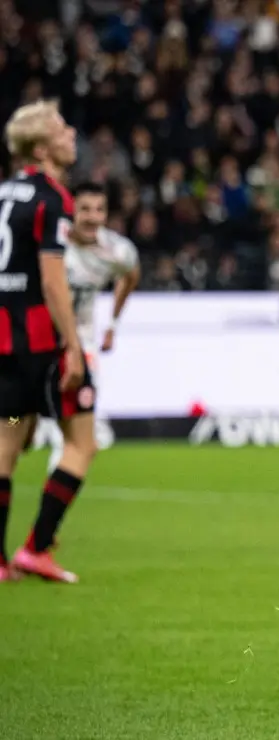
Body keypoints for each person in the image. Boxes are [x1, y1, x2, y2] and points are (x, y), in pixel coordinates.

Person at [0, 100, 95, 584]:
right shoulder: (51, 198)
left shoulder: (3, 194)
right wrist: (73, 346)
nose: (70, 132)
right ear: (41, 147)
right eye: (60, 128)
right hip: (42, 345)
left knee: (7, 440)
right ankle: (37, 546)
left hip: (4, 341)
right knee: (82, 442)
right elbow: (53, 282)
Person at [35, 182, 140, 474]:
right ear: (71, 212)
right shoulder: (51, 246)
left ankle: (54, 499)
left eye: (100, 210)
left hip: (80, 345)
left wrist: (113, 324)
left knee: (76, 431)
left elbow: (130, 277)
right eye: (85, 209)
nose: (93, 217)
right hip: (37, 340)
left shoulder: (117, 251)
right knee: (20, 422)